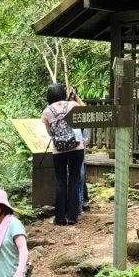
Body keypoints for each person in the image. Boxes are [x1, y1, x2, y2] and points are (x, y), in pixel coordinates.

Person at [41, 84, 85, 225]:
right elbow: (84, 109)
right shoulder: (72, 104)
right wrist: (76, 95)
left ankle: (60, 218)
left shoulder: (46, 111)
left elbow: (49, 132)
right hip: (77, 147)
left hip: (59, 150)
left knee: (60, 182)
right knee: (74, 179)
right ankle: (72, 216)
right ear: (62, 93)